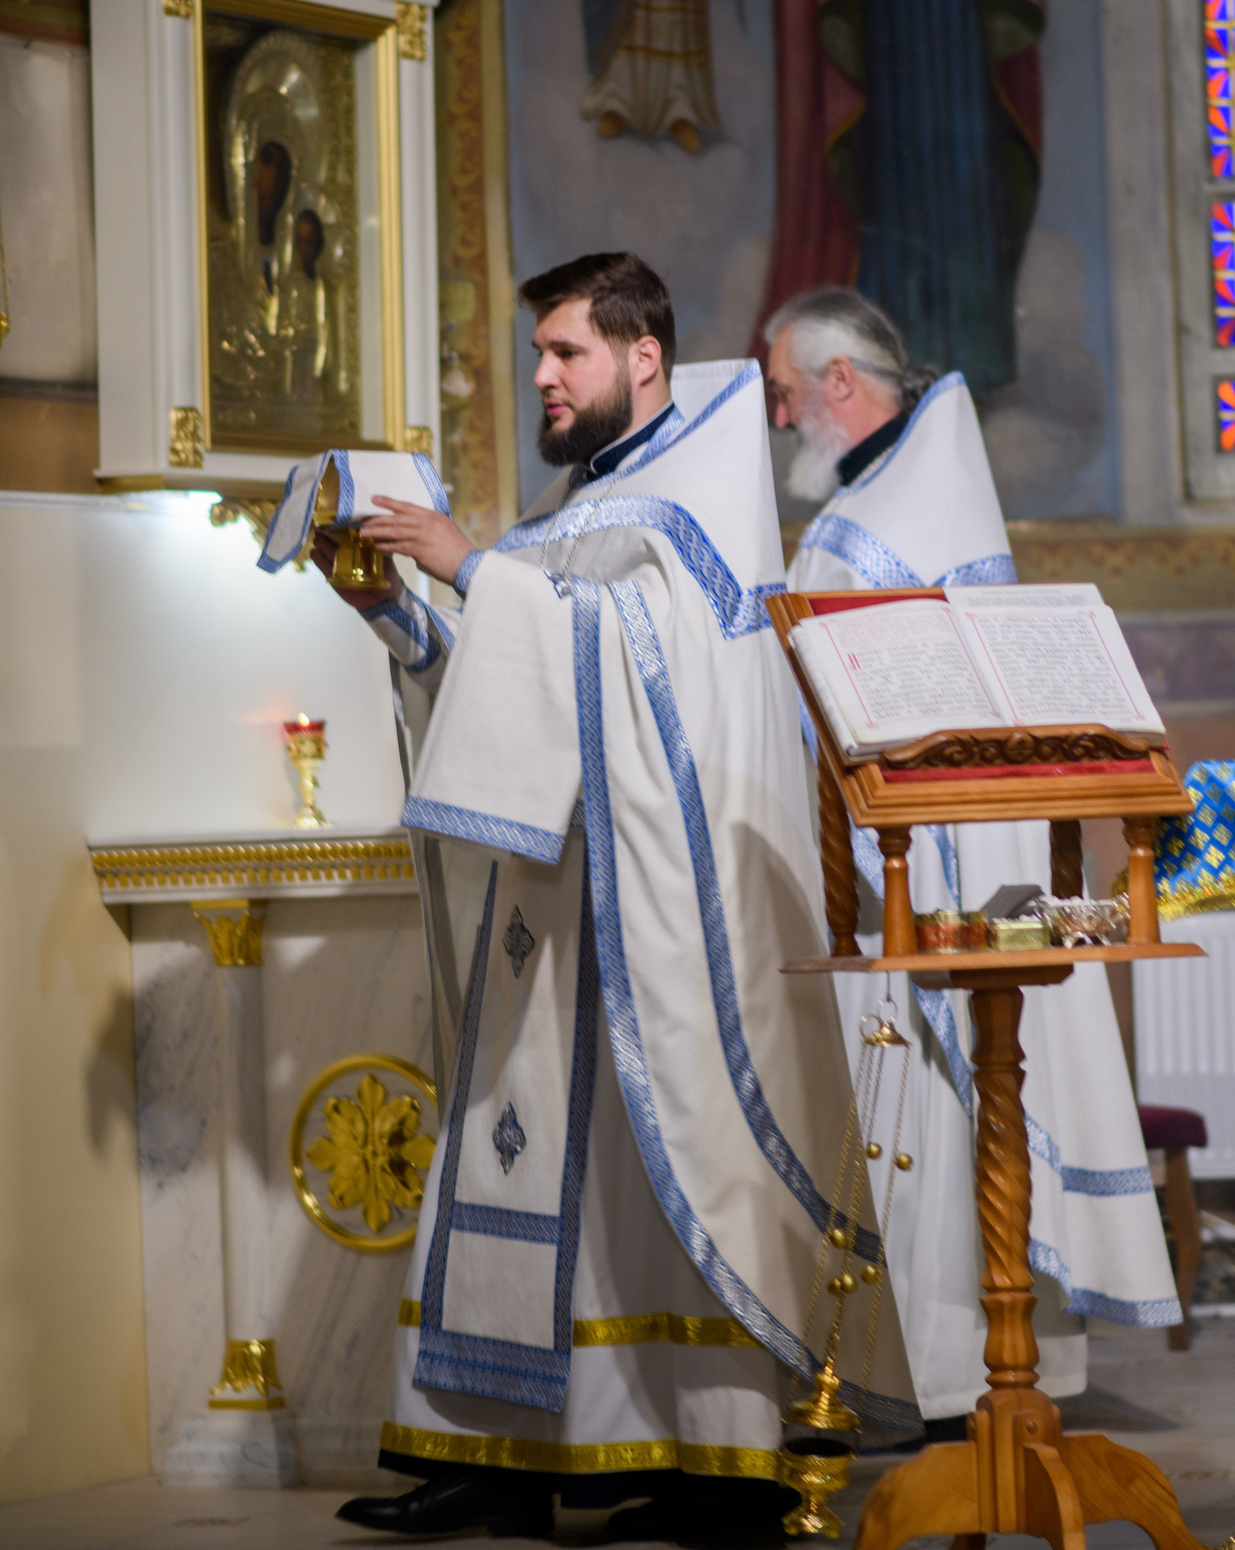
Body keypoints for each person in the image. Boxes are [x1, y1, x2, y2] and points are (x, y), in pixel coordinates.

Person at [321, 254, 916, 1540]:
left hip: (666, 916)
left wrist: (472, 568)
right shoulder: (581, 508)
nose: (543, 377)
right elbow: (516, 669)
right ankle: (508, 1455)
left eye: (566, 354)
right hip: (553, 907)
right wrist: (400, 609)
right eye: (539, 355)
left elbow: (650, 662)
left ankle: (711, 1462)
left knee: (660, 1183)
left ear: (642, 357)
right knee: (528, 1167)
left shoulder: (697, 500)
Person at [763, 287, 1183, 1427]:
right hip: (891, 855)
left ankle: (961, 1383)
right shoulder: (889, 488)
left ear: (840, 382)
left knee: (953, 1115)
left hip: (928, 868)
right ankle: (953, 1378)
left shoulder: (894, 509)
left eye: (789, 394)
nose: (782, 416)